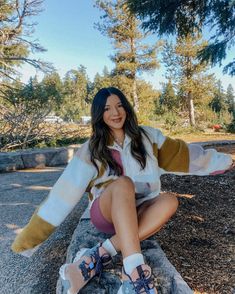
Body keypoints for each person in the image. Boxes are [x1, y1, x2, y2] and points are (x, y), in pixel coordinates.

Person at [11, 87, 233, 294]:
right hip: (107, 213)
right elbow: (62, 194)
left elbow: (184, 155)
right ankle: (135, 272)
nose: (115, 113)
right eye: (107, 109)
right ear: (99, 114)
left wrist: (223, 161)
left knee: (170, 200)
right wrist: (28, 240)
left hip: (140, 212)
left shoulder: (148, 138)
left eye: (119, 105)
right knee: (123, 183)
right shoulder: (91, 149)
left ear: (126, 107)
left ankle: (96, 256)